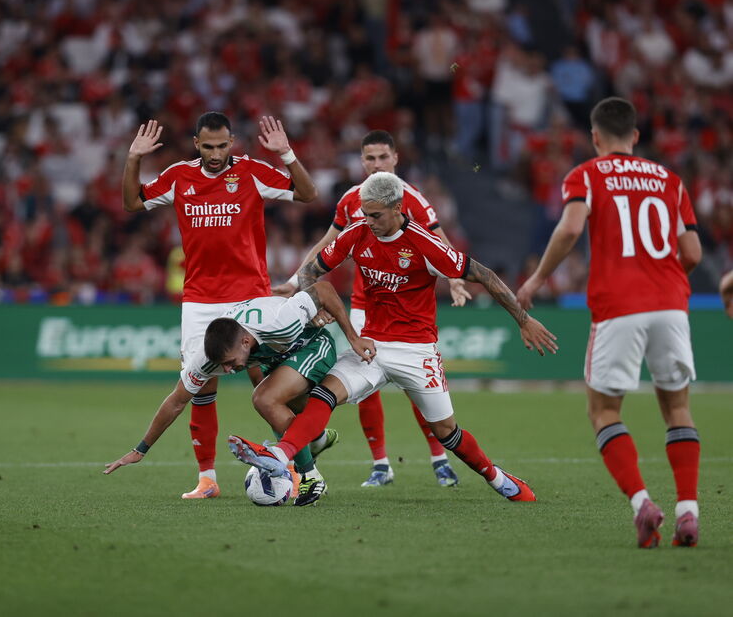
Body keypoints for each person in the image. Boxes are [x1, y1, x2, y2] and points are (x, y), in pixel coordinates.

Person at [229, 172, 557, 503]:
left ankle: (497, 478)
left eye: (376, 215)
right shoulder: (357, 233)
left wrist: (523, 319)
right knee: (324, 395)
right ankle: (280, 456)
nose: (368, 222)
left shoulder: (425, 244)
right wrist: (312, 305)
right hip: (372, 346)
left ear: (397, 208)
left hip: (417, 351)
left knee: (446, 432)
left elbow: (484, 274)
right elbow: (312, 269)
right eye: (365, 214)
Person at [517, 97, 702, 548]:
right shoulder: (670, 180)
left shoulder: (586, 175)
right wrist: (663, 282)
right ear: (635, 135)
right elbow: (693, 253)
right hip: (671, 305)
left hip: (619, 305)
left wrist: (538, 279)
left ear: (595, 136)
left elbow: (570, 228)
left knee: (603, 411)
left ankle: (642, 504)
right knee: (677, 409)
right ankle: (688, 511)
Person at [122, 112, 318, 499]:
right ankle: (207, 479)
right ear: (196, 143)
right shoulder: (179, 176)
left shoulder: (252, 172)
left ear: (232, 142)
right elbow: (132, 202)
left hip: (250, 294)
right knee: (200, 385)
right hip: (200, 300)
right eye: (208, 146)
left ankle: (299, 468)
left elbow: (307, 194)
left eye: (222, 146)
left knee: (267, 385)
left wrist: (287, 154)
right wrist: (134, 158)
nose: (215, 154)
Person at [274, 130, 471, 488]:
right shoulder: (351, 199)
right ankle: (381, 464)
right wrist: (294, 280)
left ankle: (439, 458)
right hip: (365, 305)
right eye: (370, 158)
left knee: (415, 385)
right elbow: (327, 243)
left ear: (395, 158)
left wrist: (455, 280)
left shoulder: (411, 199)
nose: (377, 164)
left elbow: (440, 242)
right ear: (362, 161)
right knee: (363, 385)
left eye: (383, 157)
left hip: (407, 308)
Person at [103, 280, 376, 506]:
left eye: (231, 362)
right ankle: (315, 439)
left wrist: (353, 338)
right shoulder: (207, 359)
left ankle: (310, 476)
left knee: (265, 398)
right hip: (279, 359)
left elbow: (324, 289)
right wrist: (140, 449)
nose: (228, 370)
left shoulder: (280, 322)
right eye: (223, 365)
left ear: (246, 341)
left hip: (312, 345)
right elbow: (176, 401)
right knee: (285, 407)